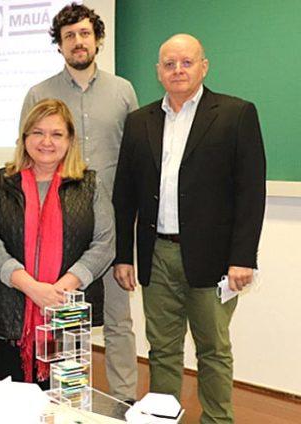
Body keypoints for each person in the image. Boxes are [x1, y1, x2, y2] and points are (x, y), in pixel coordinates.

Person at [113, 34, 266, 423]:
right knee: (161, 349)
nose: (177, 70)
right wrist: (123, 256)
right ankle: (162, 418)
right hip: (156, 254)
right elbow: (124, 195)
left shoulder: (236, 114)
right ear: (158, 72)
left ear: (204, 66)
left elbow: (251, 193)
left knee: (212, 348)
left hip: (214, 259)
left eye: (186, 62)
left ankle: (217, 420)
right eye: (169, 64)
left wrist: (243, 257)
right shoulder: (138, 121)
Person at [19, 2, 139, 400]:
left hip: (110, 227)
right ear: (59, 45)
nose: (78, 41)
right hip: (59, 226)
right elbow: (26, 153)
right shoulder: (40, 93)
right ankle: (62, 398)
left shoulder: (123, 91)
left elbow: (136, 158)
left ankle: (123, 400)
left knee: (119, 320)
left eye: (84, 33)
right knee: (60, 318)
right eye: (69, 36)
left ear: (97, 39)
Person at [0, 98, 114, 383]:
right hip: (9, 314)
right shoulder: (0, 184)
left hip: (65, 311)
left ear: (70, 140)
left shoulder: (90, 185)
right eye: (37, 132)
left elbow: (104, 243)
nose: (46, 141)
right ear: (24, 137)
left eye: (56, 134)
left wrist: (60, 290)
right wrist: (33, 288)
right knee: (10, 398)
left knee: (62, 398)